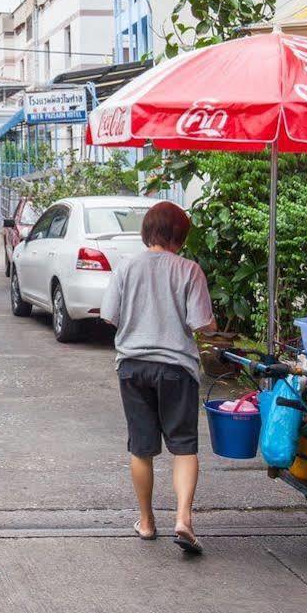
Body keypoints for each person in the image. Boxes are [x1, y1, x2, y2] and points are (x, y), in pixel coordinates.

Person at [100, 200, 214, 557]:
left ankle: (147, 521)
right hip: (176, 368)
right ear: (180, 236)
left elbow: (108, 316)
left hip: (133, 366)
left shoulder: (125, 267)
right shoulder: (189, 270)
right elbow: (201, 324)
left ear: (146, 231)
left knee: (141, 447)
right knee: (184, 447)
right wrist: (213, 327)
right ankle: (183, 519)